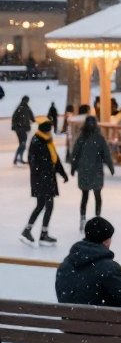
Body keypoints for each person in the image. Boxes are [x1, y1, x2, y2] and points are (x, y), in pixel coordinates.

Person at [21, 118, 68, 247]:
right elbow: (33, 161)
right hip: (41, 180)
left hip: (47, 178)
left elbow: (55, 158)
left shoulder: (46, 141)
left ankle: (34, 232)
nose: (51, 133)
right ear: (46, 131)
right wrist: (42, 174)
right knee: (46, 205)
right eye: (50, 131)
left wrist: (62, 173)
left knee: (43, 205)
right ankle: (36, 232)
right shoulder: (37, 142)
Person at [69, 115, 115, 231]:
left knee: (85, 196)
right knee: (97, 196)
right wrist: (110, 166)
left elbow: (75, 154)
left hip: (84, 170)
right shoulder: (99, 138)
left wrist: (73, 168)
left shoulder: (81, 138)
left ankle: (83, 219)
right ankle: (97, 218)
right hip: (96, 171)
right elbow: (106, 154)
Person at [11, 94, 34, 164]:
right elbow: (14, 118)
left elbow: (31, 117)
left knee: (22, 144)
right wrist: (17, 126)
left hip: (21, 128)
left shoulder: (22, 107)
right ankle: (18, 158)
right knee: (22, 144)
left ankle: (18, 158)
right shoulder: (23, 108)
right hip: (21, 129)